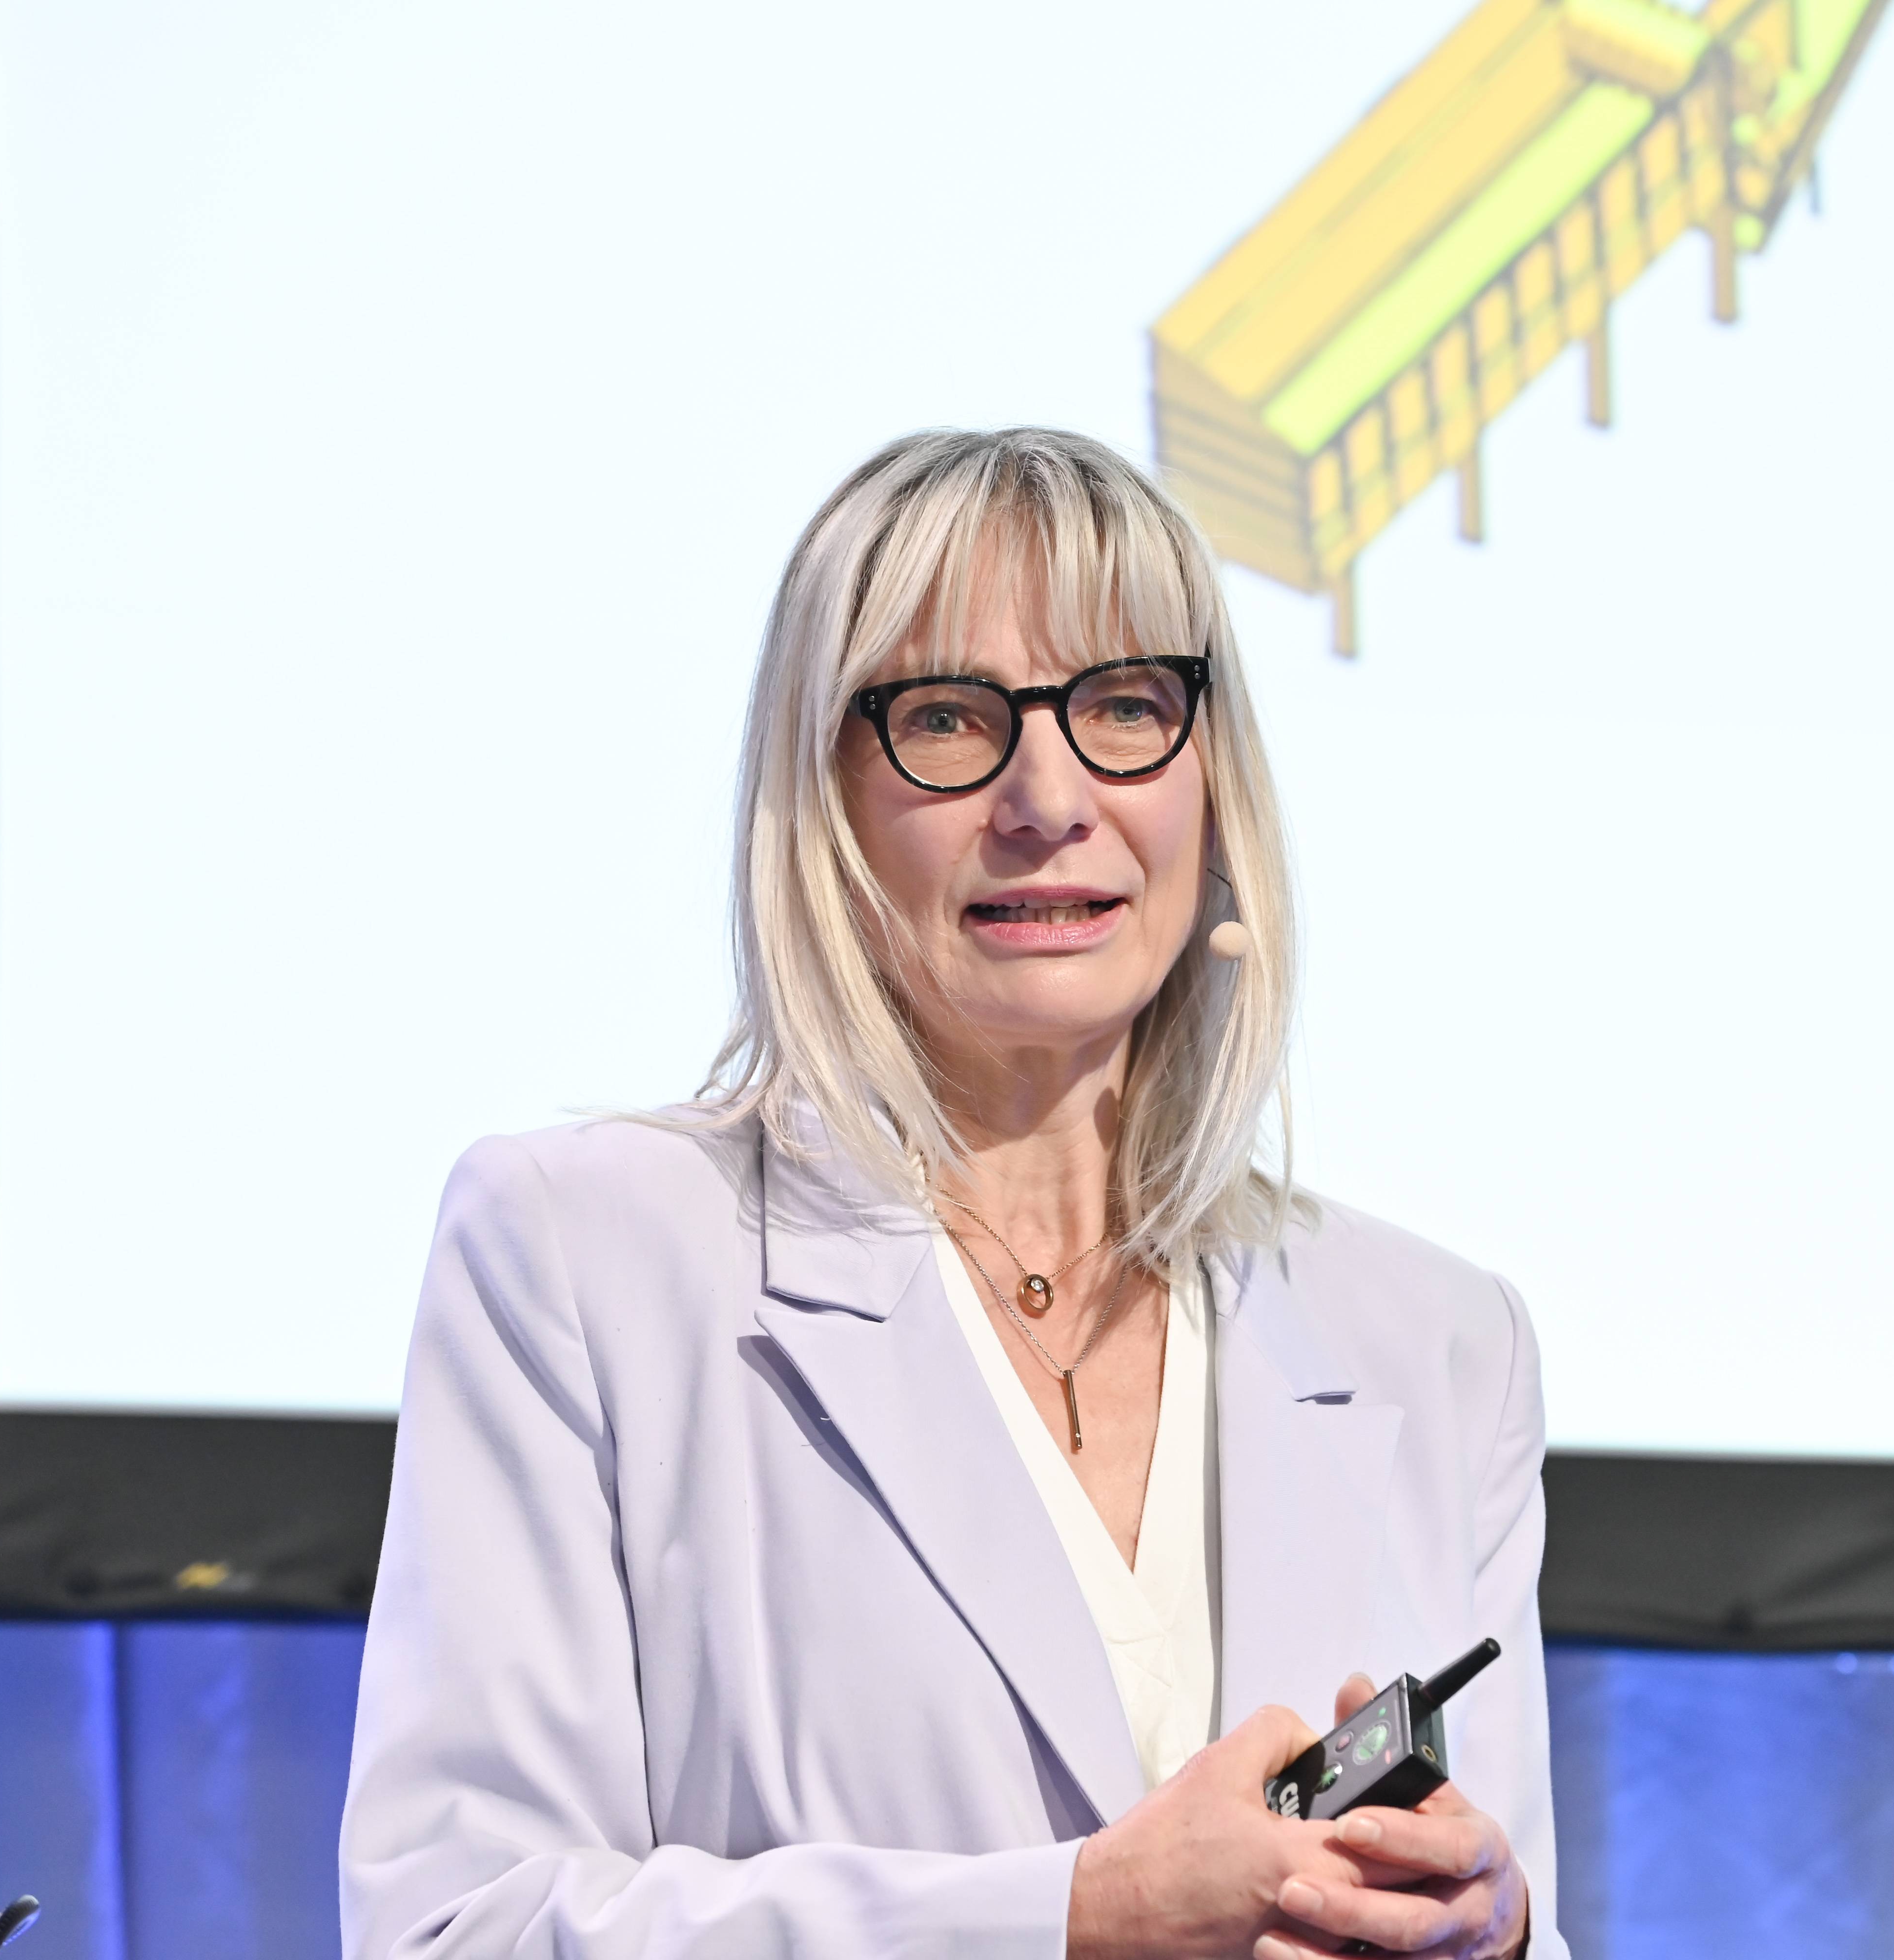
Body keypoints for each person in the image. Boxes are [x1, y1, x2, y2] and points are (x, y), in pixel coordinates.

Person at [339, 428, 1560, 1960]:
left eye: (1126, 707)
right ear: (824, 805)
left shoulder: (1440, 1341)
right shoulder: (584, 1254)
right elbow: (458, 1929)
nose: (1049, 798)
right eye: (946, 720)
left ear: (1212, 786)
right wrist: (1077, 1917)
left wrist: (1495, 1935)